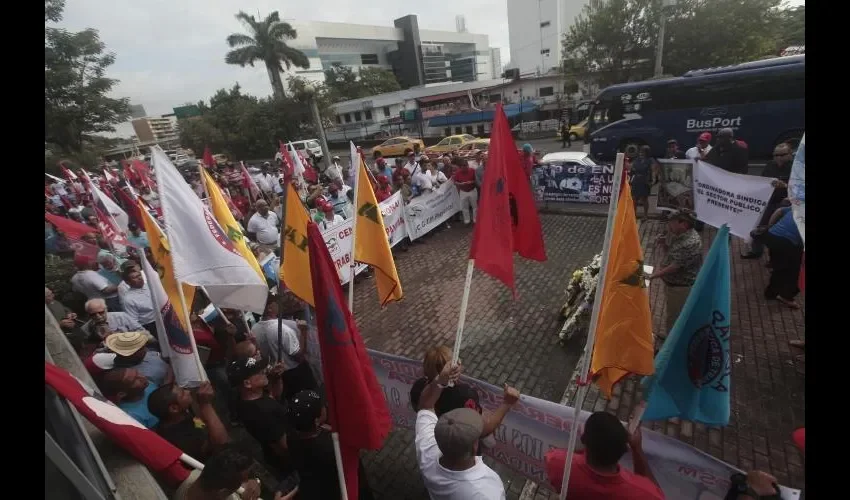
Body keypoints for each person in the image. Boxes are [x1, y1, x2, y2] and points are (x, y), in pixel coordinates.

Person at [415, 362, 506, 499]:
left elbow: (425, 406)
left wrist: (440, 380)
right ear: (475, 447)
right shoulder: (485, 492)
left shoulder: (427, 451)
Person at [543, 412, 664, 499]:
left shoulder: (558, 464)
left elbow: (551, 456)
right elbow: (654, 491)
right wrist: (637, 449)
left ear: (584, 439)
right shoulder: (644, 493)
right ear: (623, 451)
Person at [286, 390, 375, 500]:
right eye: (321, 407)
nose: (324, 407)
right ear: (316, 420)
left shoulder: (292, 438)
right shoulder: (333, 447)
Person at [228, 356, 293, 477]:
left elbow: (275, 397)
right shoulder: (261, 413)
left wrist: (276, 378)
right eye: (258, 372)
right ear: (247, 383)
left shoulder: (251, 396)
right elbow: (283, 447)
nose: (264, 372)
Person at [648, 211, 703, 347]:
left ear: (683, 224)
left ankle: (671, 346)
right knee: (672, 313)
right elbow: (672, 255)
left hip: (680, 288)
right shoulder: (680, 236)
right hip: (672, 285)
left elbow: (675, 266)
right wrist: (664, 244)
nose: (669, 226)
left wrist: (653, 276)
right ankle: (669, 335)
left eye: (672, 223)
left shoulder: (690, 242)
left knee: (675, 317)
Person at [250, 295, 317, 400]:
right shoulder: (281, 328)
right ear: (269, 308)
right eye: (275, 303)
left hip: (278, 376)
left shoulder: (254, 329)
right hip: (296, 374)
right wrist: (303, 332)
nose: (278, 304)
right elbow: (299, 356)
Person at [148, 381, 230, 462]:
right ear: (174, 408)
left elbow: (201, 425)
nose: (188, 392)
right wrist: (205, 404)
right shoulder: (181, 439)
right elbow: (223, 443)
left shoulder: (181, 415)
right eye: (183, 394)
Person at [742, 143, 794, 260]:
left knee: (778, 232)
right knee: (760, 226)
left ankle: (775, 258)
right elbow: (762, 180)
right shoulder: (770, 165)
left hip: (786, 205)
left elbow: (800, 188)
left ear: (790, 155)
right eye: (776, 155)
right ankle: (756, 251)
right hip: (769, 202)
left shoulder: (796, 168)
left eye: (782, 155)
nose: (778, 157)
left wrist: (785, 186)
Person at [172, 444, 275, 500]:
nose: (247, 480)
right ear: (223, 492)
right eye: (245, 478)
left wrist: (255, 481)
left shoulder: (197, 475)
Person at [753, 204, 803, 309]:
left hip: (772, 235)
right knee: (794, 271)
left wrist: (770, 226)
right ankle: (783, 296)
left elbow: (779, 211)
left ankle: (772, 291)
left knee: (781, 265)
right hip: (786, 242)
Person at [86, 331, 172, 385]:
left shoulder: (147, 354)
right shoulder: (131, 376)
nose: (145, 349)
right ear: (132, 353)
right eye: (142, 348)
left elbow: (161, 357)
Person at [79, 298, 151, 356]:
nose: (98, 316)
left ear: (106, 309)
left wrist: (125, 338)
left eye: (101, 312)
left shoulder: (121, 316)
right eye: (93, 314)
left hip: (135, 349)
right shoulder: (86, 329)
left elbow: (142, 331)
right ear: (88, 315)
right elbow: (90, 351)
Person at [118, 266, 158, 338]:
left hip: (163, 318)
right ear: (128, 282)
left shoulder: (150, 286)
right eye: (135, 277)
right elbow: (133, 321)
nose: (139, 278)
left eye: (139, 275)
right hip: (151, 325)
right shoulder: (128, 299)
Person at [629, 146, 656, 219]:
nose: (641, 153)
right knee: (634, 198)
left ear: (647, 152)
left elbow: (653, 170)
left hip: (645, 180)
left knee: (644, 198)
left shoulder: (650, 160)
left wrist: (653, 180)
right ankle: (633, 214)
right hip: (636, 180)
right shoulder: (637, 159)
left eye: (643, 152)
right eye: (640, 151)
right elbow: (631, 168)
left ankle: (645, 215)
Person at [452, 158, 478, 225]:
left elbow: (477, 180)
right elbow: (455, 182)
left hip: (472, 190)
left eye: (466, 166)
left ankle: (475, 219)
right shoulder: (458, 172)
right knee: (464, 207)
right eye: (463, 167)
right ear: (461, 167)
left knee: (474, 206)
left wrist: (471, 182)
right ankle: (467, 220)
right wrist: (460, 184)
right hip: (463, 191)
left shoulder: (473, 170)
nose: (465, 168)